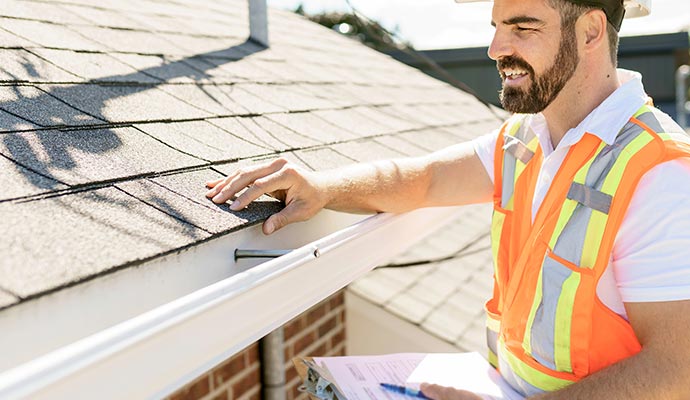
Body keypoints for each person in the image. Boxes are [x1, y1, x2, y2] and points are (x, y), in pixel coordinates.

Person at [206, 0, 690, 398]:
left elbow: (676, 371)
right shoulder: (527, 137)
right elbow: (426, 180)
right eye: (497, 26)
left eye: (523, 27)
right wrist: (324, 187)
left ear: (589, 31)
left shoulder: (659, 172)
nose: (496, 47)